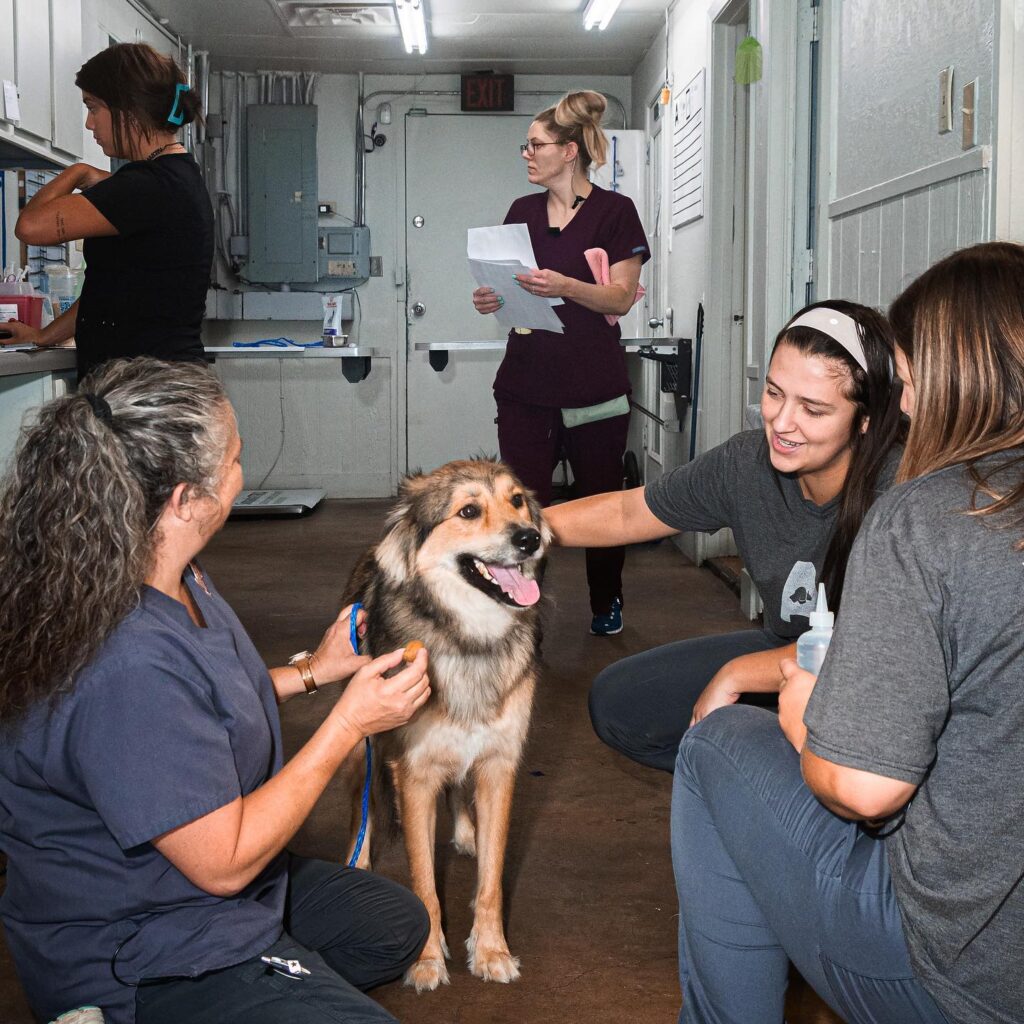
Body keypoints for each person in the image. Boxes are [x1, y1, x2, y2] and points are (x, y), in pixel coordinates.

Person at [0, 358, 431, 1024]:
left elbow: (194, 706)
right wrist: (348, 723)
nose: (241, 470)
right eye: (233, 460)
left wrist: (314, 670)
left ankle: (271, 975)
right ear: (183, 500)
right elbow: (225, 863)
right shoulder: (124, 663)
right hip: (140, 949)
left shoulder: (173, 575)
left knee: (392, 923)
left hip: (199, 897)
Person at [671, 241, 1024, 1023]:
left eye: (912, 377)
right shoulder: (750, 470)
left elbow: (865, 789)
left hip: (961, 977)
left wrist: (803, 718)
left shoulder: (928, 516)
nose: (906, 402)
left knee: (714, 749)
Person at [544, 300, 904, 770]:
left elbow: (872, 645)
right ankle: (760, 779)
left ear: (866, 419)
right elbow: (630, 512)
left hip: (868, 681)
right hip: (783, 654)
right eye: (775, 393)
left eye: (813, 409)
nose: (781, 422)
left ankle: (797, 793)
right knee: (621, 704)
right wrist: (522, 531)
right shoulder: (745, 464)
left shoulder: (901, 494)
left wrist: (737, 673)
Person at [471, 90, 650, 636]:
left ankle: (607, 602)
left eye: (536, 145)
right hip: (525, 387)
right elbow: (509, 286)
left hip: (594, 390)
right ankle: (518, 609)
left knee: (602, 503)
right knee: (519, 508)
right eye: (525, 145)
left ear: (569, 151)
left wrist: (567, 285)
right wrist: (491, 299)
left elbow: (620, 298)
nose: (526, 154)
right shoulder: (520, 213)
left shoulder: (616, 213)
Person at [1, 42, 214, 382]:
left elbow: (29, 226)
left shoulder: (148, 186)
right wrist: (43, 336)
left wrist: (77, 172)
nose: (89, 123)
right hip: (157, 383)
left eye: (94, 107)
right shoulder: (171, 177)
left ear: (127, 109)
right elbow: (109, 295)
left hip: (147, 391)